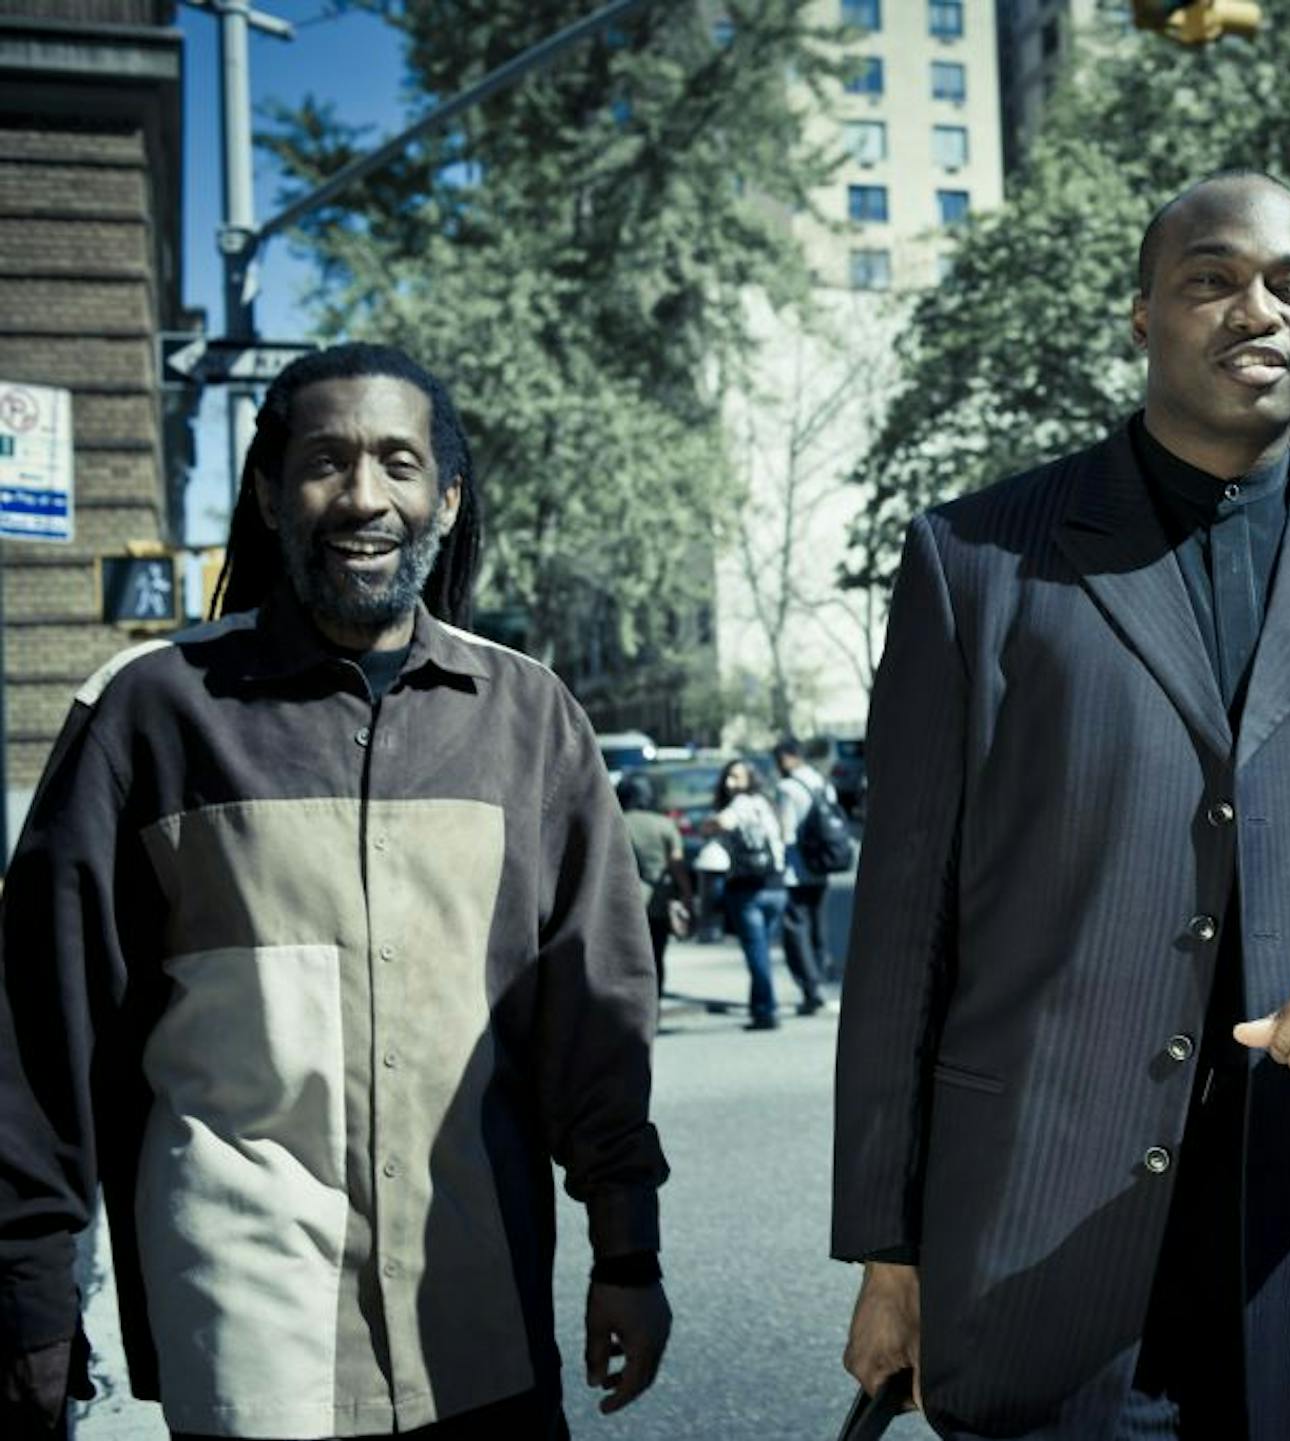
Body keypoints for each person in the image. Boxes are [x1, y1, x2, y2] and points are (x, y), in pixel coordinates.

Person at [832, 170, 1290, 1440]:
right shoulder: (972, 562)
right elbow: (903, 933)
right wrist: (888, 1251)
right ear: (1142, 316)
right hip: (1033, 1260)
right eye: (1212, 280)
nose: (1259, 310)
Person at [0, 343, 672, 1439]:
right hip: (251, 1351)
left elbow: (596, 1017)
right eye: (325, 462)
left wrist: (628, 1249)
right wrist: (28, 1301)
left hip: (482, 1341)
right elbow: (41, 1038)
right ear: (268, 494)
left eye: (399, 463)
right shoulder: (151, 713)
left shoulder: (529, 718)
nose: (365, 495)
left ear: (446, 500)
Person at [708, 759, 821, 1029]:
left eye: (736, 777)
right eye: (728, 777)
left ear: (750, 779)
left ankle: (766, 1010)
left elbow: (723, 822)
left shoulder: (741, 804)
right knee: (763, 951)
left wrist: (708, 826)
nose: (729, 783)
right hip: (776, 887)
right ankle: (759, 1006)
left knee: (756, 953)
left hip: (748, 889)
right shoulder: (766, 802)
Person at [772, 737, 837, 1003]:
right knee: (816, 925)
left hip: (796, 870)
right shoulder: (821, 782)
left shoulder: (787, 787)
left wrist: (776, 865)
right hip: (821, 866)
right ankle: (821, 973)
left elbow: (785, 833)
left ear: (787, 757)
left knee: (796, 928)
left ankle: (811, 986)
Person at [617, 772, 694, 999]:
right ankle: (653, 1005)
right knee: (656, 956)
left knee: (628, 958)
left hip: (626, 899)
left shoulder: (617, 822)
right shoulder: (665, 825)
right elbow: (677, 866)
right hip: (659, 900)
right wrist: (687, 897)